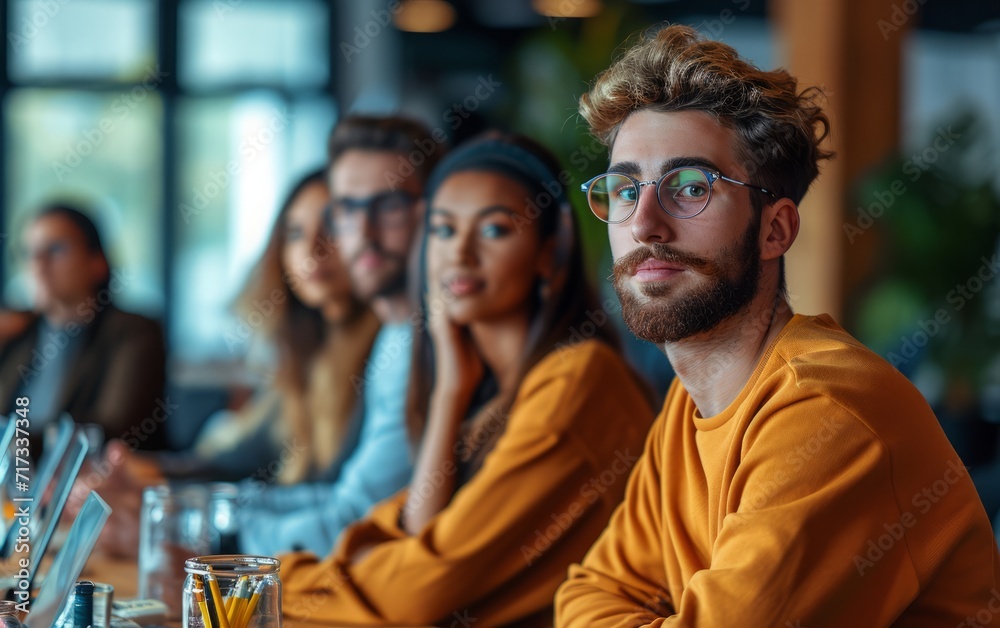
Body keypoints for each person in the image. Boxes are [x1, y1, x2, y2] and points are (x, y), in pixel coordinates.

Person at [555, 25, 1000, 626]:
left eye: (690, 187)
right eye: (625, 188)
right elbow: (587, 593)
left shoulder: (826, 413)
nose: (644, 224)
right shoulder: (687, 414)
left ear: (775, 230)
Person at [277, 133, 656, 626]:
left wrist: (263, 580)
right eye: (442, 230)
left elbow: (418, 592)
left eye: (495, 230)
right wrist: (449, 394)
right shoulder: (486, 393)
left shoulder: (579, 379)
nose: (460, 253)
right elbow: (414, 536)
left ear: (550, 252)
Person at [233, 114, 443, 557]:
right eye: (347, 209)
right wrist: (203, 515)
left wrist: (211, 536)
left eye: (388, 206)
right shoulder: (397, 336)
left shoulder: (430, 343)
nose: (362, 234)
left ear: (433, 211)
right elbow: (334, 496)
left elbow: (358, 520)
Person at [0, 204, 166, 451]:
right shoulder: (18, 333)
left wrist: (12, 445)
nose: (38, 264)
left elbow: (110, 430)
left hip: (92, 485)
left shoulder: (133, 333)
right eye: (29, 252)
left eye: (55, 249)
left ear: (97, 263)